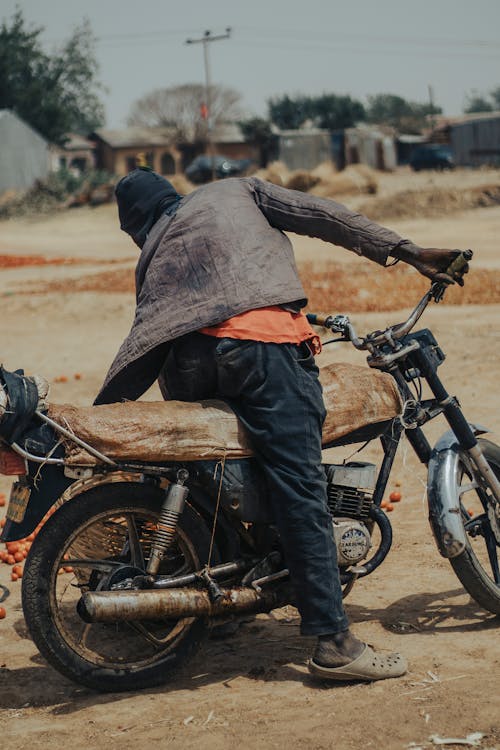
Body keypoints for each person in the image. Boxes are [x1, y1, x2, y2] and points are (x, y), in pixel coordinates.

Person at [95, 167, 469, 682]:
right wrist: (407, 251)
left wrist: (102, 411)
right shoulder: (234, 190)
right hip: (259, 347)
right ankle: (333, 642)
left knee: (213, 471)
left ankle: (224, 599)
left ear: (135, 223)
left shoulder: (152, 250)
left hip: (185, 368)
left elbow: (150, 333)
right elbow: (323, 215)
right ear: (171, 194)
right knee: (300, 485)